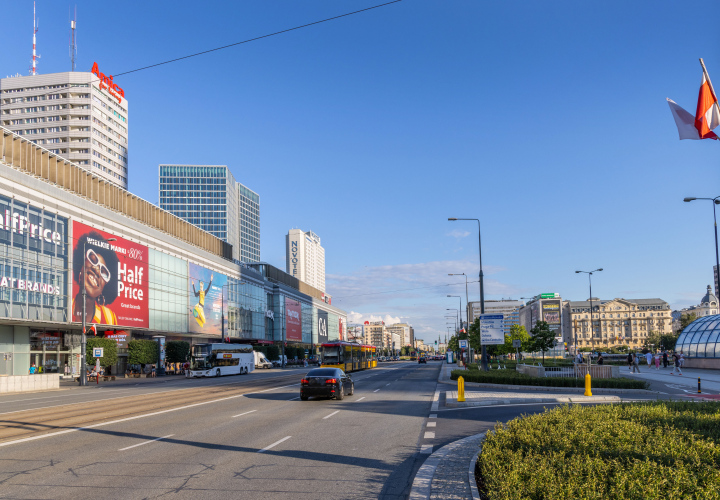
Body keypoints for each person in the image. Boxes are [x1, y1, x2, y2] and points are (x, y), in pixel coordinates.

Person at [71, 231, 120, 326]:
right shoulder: (65, 306)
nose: (97, 271)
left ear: (104, 287)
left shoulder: (109, 318)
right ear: (81, 266)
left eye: (104, 272)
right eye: (93, 260)